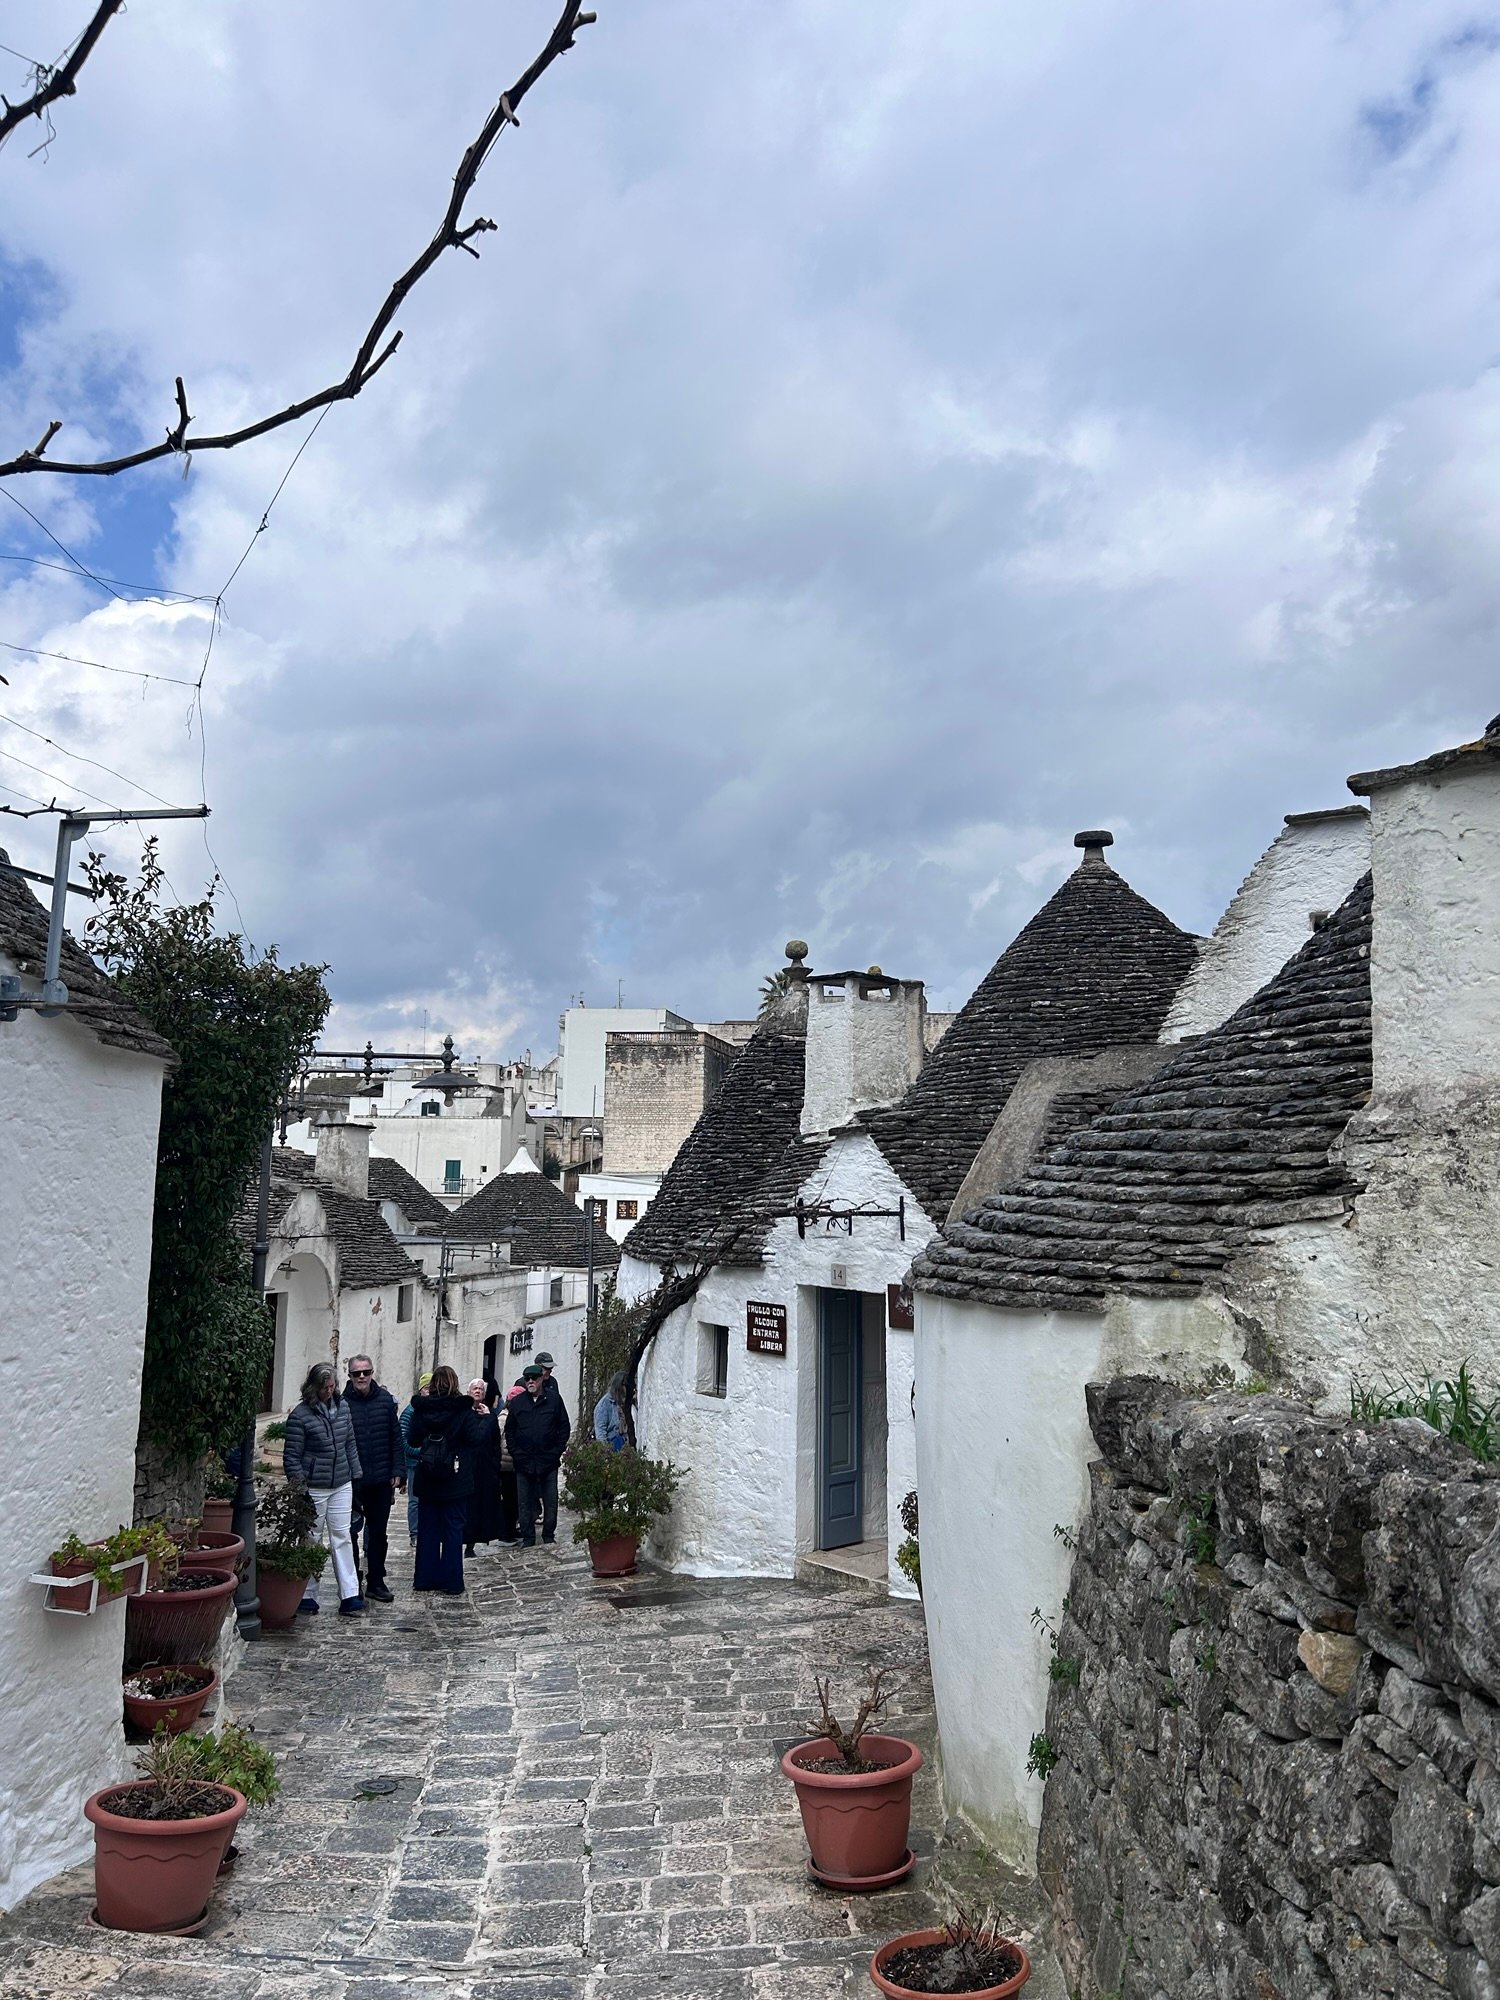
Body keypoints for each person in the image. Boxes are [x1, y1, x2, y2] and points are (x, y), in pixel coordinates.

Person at [282, 1361, 365, 1616]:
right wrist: (300, 1488)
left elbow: (350, 1443)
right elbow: (292, 1457)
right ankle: (307, 1593)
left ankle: (350, 1594)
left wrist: (356, 1474)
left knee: (342, 1537)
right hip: (315, 1486)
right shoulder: (300, 1416)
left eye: (333, 1386)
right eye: (325, 1387)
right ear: (314, 1387)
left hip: (341, 1482)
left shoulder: (343, 1408)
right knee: (312, 1539)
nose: (330, 1391)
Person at [407, 1365, 493, 1594]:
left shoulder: (422, 1409)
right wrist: (486, 1420)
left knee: (428, 1530)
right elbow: (475, 1439)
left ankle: (425, 1578)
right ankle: (452, 1581)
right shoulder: (462, 1410)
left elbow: (413, 1439)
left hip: (428, 1476)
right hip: (456, 1477)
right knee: (454, 1530)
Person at [344, 1353, 404, 1603]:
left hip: (380, 1480)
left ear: (372, 1373)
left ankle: (376, 1582)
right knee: (350, 1534)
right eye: (356, 1373)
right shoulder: (342, 1403)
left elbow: (395, 1437)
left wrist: (398, 1471)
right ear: (350, 1375)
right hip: (352, 1482)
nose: (361, 1377)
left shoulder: (385, 1402)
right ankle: (352, 1584)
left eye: (365, 1372)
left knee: (378, 1534)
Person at [505, 1363, 571, 1547]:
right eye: (527, 1379)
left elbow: (563, 1427)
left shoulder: (554, 1400)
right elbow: (510, 1431)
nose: (531, 1381)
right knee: (524, 1501)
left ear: (541, 1379)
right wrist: (516, 1453)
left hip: (547, 1460)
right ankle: (528, 1537)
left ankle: (548, 1534)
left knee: (550, 1500)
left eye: (534, 1378)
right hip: (524, 1461)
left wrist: (556, 1451)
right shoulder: (518, 1403)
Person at [463, 1378, 505, 1558]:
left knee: (480, 1508)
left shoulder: (490, 1415)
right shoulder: (463, 1413)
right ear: (468, 1391)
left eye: (481, 1389)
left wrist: (495, 1466)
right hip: (467, 1468)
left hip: (485, 1469)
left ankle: (472, 1544)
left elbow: (495, 1442)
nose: (478, 1391)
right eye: (475, 1388)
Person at [399, 1372, 432, 1543]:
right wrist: (424, 1452)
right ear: (421, 1390)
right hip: (414, 1464)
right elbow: (403, 1440)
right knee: (415, 1501)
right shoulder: (410, 1412)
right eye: (427, 1388)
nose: (430, 1391)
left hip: (429, 1463)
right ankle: (415, 1533)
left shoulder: (432, 1411)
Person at [593, 1370, 629, 1451]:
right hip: (612, 1445)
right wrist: (607, 1454)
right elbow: (600, 1433)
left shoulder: (621, 1402)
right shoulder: (604, 1405)